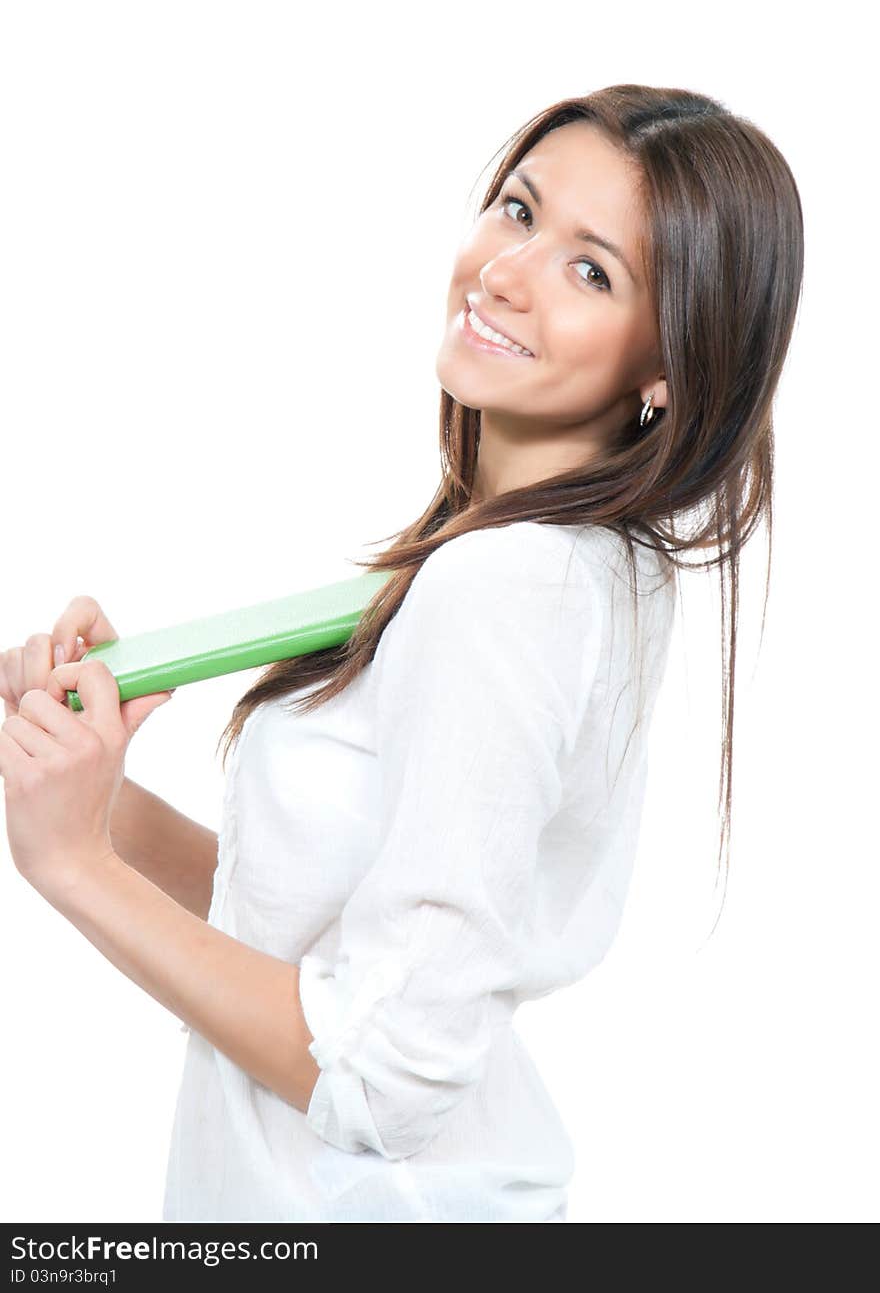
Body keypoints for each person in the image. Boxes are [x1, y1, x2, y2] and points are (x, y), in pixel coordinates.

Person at [0, 84, 804, 1223]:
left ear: (667, 363)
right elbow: (313, 930)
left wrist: (69, 868)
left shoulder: (505, 584)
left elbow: (382, 1077)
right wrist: (84, 792)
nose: (508, 271)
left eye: (593, 270)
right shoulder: (573, 567)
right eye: (519, 211)